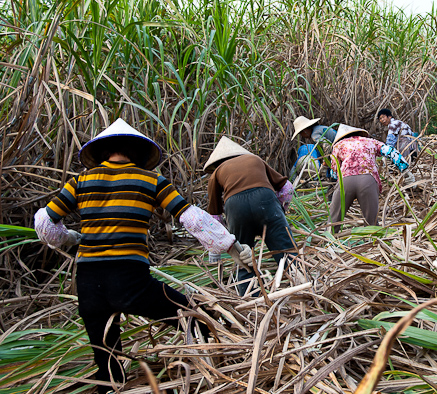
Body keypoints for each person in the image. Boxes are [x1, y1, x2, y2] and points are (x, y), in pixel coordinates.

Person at [33, 118, 253, 394]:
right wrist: (232, 247)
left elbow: (44, 224)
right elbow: (191, 218)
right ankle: (221, 375)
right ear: (137, 152)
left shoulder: (80, 181)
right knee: (198, 318)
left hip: (88, 283)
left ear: (102, 151)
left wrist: (70, 239)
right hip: (130, 280)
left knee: (108, 368)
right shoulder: (151, 180)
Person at [203, 136, 296, 296]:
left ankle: (252, 300)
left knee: (243, 258)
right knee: (286, 251)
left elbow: (214, 218)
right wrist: (280, 211)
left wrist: (216, 251)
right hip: (265, 200)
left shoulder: (217, 173)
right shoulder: (254, 159)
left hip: (236, 209)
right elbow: (287, 188)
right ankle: (300, 285)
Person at [329, 124, 413, 232]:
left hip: (346, 181)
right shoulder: (370, 141)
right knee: (371, 222)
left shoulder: (338, 145)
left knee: (334, 219)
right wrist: (405, 170)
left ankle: (328, 242)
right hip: (368, 181)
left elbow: (334, 171)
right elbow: (391, 151)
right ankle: (372, 244)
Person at [290, 116, 337, 180]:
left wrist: (325, 165)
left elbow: (328, 146)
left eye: (300, 133)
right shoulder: (318, 129)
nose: (301, 136)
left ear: (305, 131)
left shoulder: (314, 135)